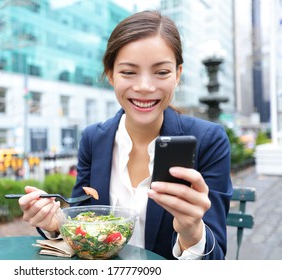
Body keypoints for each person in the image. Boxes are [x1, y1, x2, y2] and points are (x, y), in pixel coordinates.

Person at [18, 10, 232, 260]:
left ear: (177, 74)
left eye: (161, 72)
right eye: (129, 72)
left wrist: (192, 233)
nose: (144, 86)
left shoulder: (209, 141)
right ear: (110, 75)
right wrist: (58, 223)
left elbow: (216, 258)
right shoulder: (93, 139)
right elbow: (83, 223)